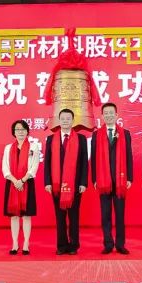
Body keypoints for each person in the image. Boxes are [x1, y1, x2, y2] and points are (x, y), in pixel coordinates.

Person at [90, 102, 133, 255]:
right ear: (102, 116)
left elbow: (129, 156)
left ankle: (120, 244)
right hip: (103, 180)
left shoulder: (125, 133)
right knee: (105, 214)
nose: (108, 115)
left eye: (111, 113)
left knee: (120, 215)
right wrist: (94, 179)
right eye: (106, 113)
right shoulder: (96, 135)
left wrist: (129, 178)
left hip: (120, 180)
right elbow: (93, 158)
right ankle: (108, 244)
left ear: (116, 115)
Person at [45, 108, 88, 255]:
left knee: (74, 216)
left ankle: (74, 245)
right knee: (60, 217)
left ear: (72, 120)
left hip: (75, 184)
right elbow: (47, 162)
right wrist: (48, 182)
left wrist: (83, 182)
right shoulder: (51, 139)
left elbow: (84, 162)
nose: (65, 121)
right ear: (59, 120)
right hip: (56, 184)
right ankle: (61, 245)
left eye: (68, 118)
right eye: (62, 118)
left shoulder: (81, 139)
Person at [2, 119, 41, 255]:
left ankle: (26, 243)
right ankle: (15, 243)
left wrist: (22, 180)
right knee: (13, 216)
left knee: (26, 216)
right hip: (12, 183)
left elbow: (34, 166)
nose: (20, 132)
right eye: (17, 129)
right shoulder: (8, 148)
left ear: (27, 131)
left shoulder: (33, 147)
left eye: (23, 129)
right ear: (14, 132)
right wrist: (15, 181)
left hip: (27, 183)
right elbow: (5, 168)